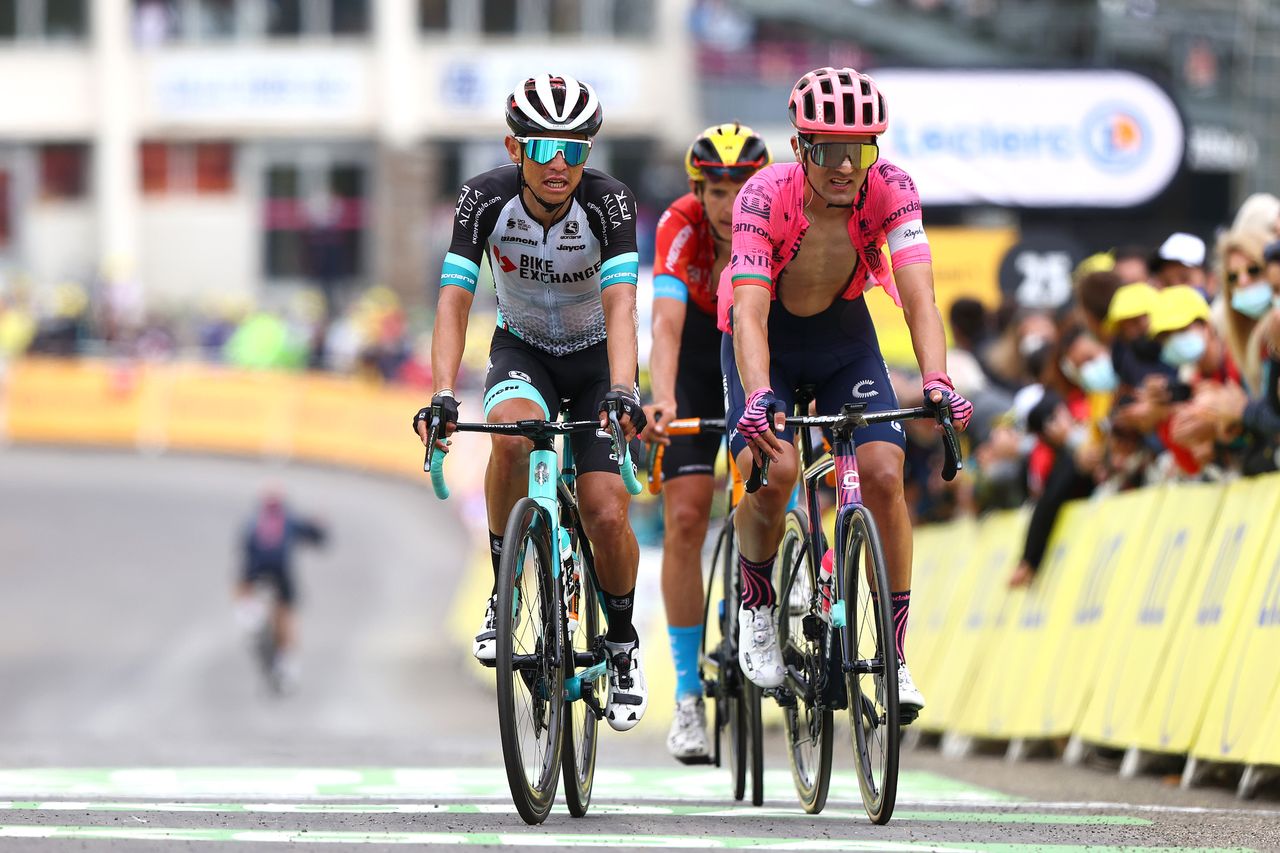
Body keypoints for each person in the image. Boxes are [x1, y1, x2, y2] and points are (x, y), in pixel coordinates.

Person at [716, 67, 973, 718]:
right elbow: (748, 312)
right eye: (829, 151)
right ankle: (757, 602)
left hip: (842, 336)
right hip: (766, 332)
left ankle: (893, 654)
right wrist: (756, 395)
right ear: (801, 148)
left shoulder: (892, 191)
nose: (844, 167)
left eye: (858, 150)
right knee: (773, 473)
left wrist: (937, 379)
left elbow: (920, 297)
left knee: (885, 471)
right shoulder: (762, 196)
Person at [413, 74, 650, 732]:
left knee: (605, 510)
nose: (557, 165)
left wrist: (625, 390)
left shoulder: (609, 203)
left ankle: (624, 644)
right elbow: (454, 301)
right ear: (516, 149)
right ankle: (503, 587)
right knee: (513, 441)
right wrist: (440, 394)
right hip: (524, 353)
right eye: (543, 147)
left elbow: (621, 303)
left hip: (600, 360)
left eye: (574, 150)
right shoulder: (483, 198)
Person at [641, 122, 771, 761]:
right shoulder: (680, 225)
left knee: (776, 473)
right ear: (699, 191)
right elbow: (664, 325)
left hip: (757, 353)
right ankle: (689, 698)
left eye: (742, 187)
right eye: (716, 191)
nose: (728, 203)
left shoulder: (778, 217)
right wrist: (661, 396)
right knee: (687, 516)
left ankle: (776, 577)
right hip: (694, 356)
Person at [235, 488, 326, 692]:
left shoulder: (253, 521)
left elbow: (244, 551)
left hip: (255, 570)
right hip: (281, 572)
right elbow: (316, 537)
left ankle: (247, 614)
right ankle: (288, 663)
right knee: (286, 612)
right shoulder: (289, 519)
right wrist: (320, 527)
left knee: (242, 583)